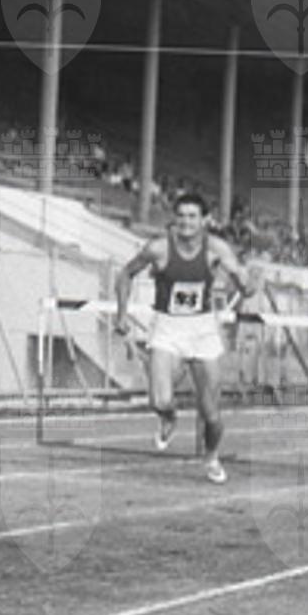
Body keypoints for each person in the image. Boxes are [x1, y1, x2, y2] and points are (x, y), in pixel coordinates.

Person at [113, 189, 259, 483]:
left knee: (211, 412)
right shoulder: (158, 248)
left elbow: (246, 286)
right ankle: (169, 416)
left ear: (205, 220)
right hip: (166, 327)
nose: (186, 222)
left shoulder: (216, 248)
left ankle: (212, 457)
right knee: (160, 399)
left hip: (202, 330)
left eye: (192, 216)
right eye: (181, 216)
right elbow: (125, 274)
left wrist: (246, 282)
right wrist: (121, 313)